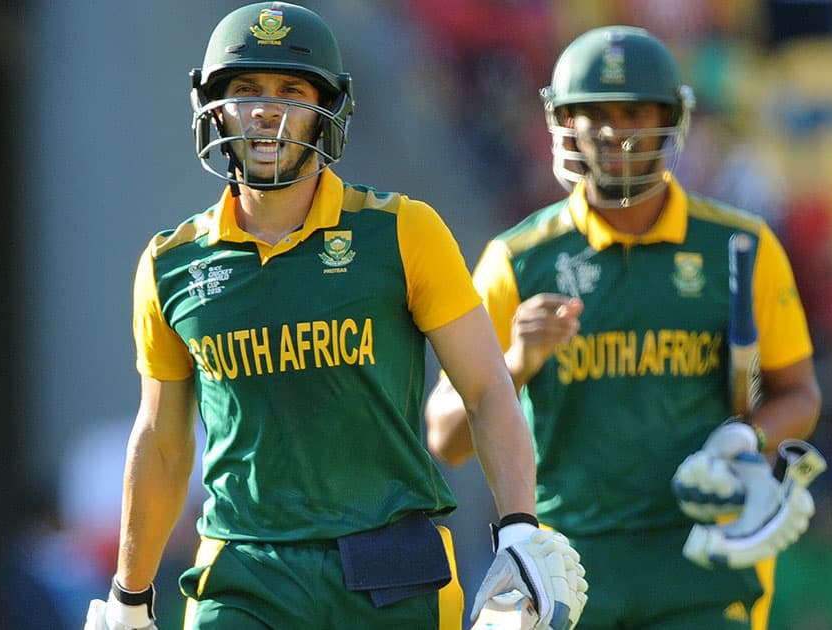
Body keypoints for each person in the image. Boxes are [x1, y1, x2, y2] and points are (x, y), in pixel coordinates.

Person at [84, 3, 586, 629]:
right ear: (214, 107)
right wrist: (129, 597)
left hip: (392, 567)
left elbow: (486, 392)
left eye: (290, 91)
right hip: (245, 572)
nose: (266, 109)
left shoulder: (403, 230)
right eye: (247, 91)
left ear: (328, 112)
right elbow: (161, 441)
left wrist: (518, 528)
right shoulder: (170, 263)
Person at [425, 25, 822, 630]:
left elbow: (800, 394)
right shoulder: (519, 258)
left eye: (634, 111)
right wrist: (515, 362)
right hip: (569, 565)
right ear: (564, 123)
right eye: (594, 113)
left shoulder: (741, 246)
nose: (613, 130)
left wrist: (743, 442)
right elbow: (444, 437)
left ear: (670, 118)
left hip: (703, 562)